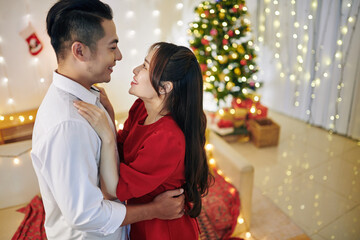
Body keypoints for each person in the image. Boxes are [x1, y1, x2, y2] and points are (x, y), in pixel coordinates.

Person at [31, 1, 185, 239]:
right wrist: (155, 210)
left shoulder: (91, 98)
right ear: (79, 51)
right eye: (113, 47)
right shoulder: (68, 125)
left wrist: (110, 125)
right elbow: (86, 215)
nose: (120, 56)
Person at [74, 42, 213, 240]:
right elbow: (120, 150)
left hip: (163, 232)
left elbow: (112, 190)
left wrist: (106, 135)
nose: (135, 70)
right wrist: (111, 115)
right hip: (142, 221)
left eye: (145, 67)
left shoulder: (168, 138)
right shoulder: (141, 107)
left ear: (165, 87)